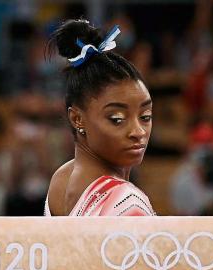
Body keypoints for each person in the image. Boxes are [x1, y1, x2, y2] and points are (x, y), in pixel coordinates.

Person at [44, 19, 156, 216]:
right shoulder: (128, 201)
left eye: (145, 116)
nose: (138, 132)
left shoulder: (60, 179)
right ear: (77, 118)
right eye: (117, 119)